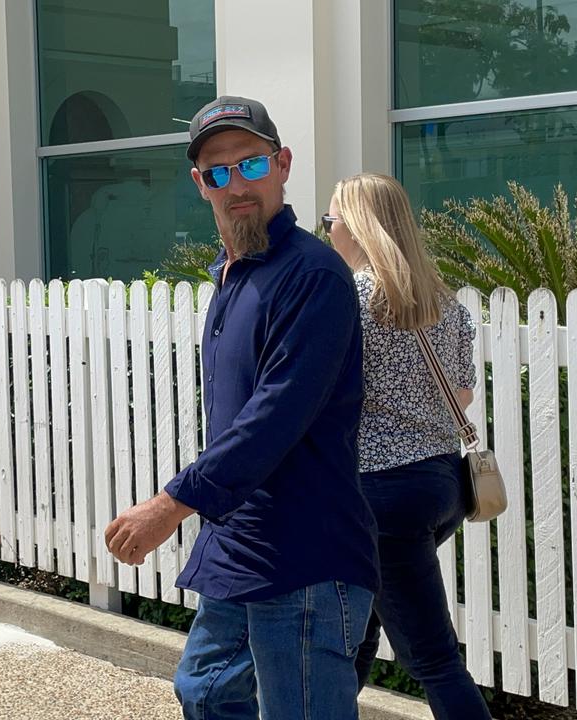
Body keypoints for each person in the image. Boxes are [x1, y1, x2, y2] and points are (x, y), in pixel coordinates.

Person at [104, 96, 379, 720]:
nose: (237, 186)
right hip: (243, 543)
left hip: (306, 553)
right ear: (201, 185)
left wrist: (171, 504)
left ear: (282, 165)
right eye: (218, 173)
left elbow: (277, 414)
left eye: (250, 165)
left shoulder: (312, 275)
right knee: (204, 690)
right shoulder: (234, 275)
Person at [325, 173, 490, 719]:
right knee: (358, 632)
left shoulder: (350, 296)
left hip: (379, 494)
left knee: (434, 659)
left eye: (332, 219)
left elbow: (323, 389)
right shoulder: (445, 300)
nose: (327, 230)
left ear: (357, 225)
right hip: (442, 484)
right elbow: (461, 393)